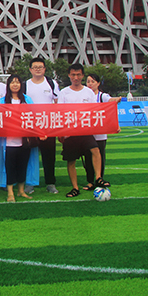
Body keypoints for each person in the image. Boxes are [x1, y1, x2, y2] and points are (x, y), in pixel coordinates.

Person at [57, 63, 110, 198]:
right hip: (70, 132)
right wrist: (61, 132)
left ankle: (98, 177)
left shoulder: (88, 92)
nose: (76, 77)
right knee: (71, 161)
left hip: (86, 131)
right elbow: (59, 113)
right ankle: (75, 187)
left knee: (95, 150)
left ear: (82, 75)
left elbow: (94, 111)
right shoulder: (64, 93)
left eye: (78, 74)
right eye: (73, 75)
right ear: (69, 75)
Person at [0, 75, 41, 202]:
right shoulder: (3, 101)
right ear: (8, 85)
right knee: (9, 167)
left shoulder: (27, 100)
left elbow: (34, 117)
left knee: (22, 166)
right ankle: (10, 192)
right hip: (9, 141)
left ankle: (21, 191)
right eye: (12, 82)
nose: (15, 85)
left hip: (24, 140)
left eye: (17, 82)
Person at [25, 57, 60, 194]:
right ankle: (29, 183)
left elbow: (58, 103)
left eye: (40, 67)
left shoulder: (51, 83)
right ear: (30, 70)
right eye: (35, 67)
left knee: (49, 157)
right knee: (29, 157)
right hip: (30, 126)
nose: (38, 69)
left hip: (48, 126)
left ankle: (50, 183)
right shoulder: (25, 85)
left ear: (44, 69)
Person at [80, 73, 121, 191]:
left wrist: (116, 100)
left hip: (100, 133)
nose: (90, 84)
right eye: (88, 81)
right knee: (88, 157)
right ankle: (90, 181)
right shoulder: (84, 95)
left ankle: (99, 178)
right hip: (87, 132)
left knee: (100, 157)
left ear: (98, 83)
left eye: (92, 81)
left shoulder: (102, 96)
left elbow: (110, 101)